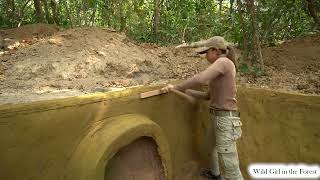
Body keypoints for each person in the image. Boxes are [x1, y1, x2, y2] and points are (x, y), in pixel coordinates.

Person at [162, 36, 243, 180]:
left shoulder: (223, 62)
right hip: (217, 117)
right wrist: (188, 92)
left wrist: (177, 87)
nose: (205, 56)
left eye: (206, 52)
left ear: (215, 50)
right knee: (210, 147)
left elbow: (200, 79)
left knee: (230, 165)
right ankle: (215, 174)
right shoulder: (220, 68)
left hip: (225, 120)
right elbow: (207, 96)